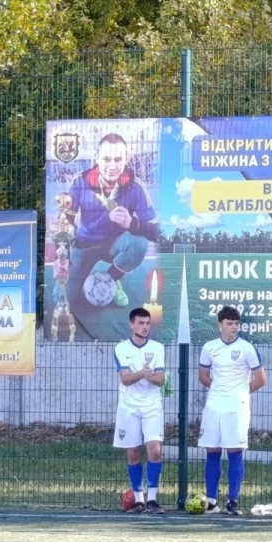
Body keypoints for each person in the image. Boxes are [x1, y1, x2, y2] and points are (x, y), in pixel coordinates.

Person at [65, 133, 158, 310]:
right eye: (106, 159)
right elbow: (67, 219)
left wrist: (132, 224)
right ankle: (82, 274)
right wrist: (67, 236)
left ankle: (111, 280)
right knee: (67, 299)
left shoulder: (136, 186)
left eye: (118, 159)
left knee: (139, 243)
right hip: (85, 244)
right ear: (96, 158)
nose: (112, 166)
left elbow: (157, 232)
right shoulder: (79, 181)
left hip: (115, 244)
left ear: (127, 159)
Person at [198, 306, 266, 515]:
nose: (234, 327)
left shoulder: (247, 348)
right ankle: (211, 500)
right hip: (214, 405)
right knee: (212, 451)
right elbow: (203, 376)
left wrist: (241, 394)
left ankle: (233, 500)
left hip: (237, 407)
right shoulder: (209, 347)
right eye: (229, 323)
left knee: (235, 452)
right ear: (220, 325)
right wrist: (220, 390)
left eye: (236, 323)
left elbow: (261, 379)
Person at [113, 307, 166, 514]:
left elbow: (160, 380)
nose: (145, 327)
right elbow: (125, 379)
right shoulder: (121, 349)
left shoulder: (158, 348)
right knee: (133, 452)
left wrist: (144, 375)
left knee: (155, 449)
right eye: (141, 323)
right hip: (128, 407)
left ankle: (152, 499)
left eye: (147, 324)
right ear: (131, 324)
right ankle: (138, 500)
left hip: (152, 404)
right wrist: (144, 374)